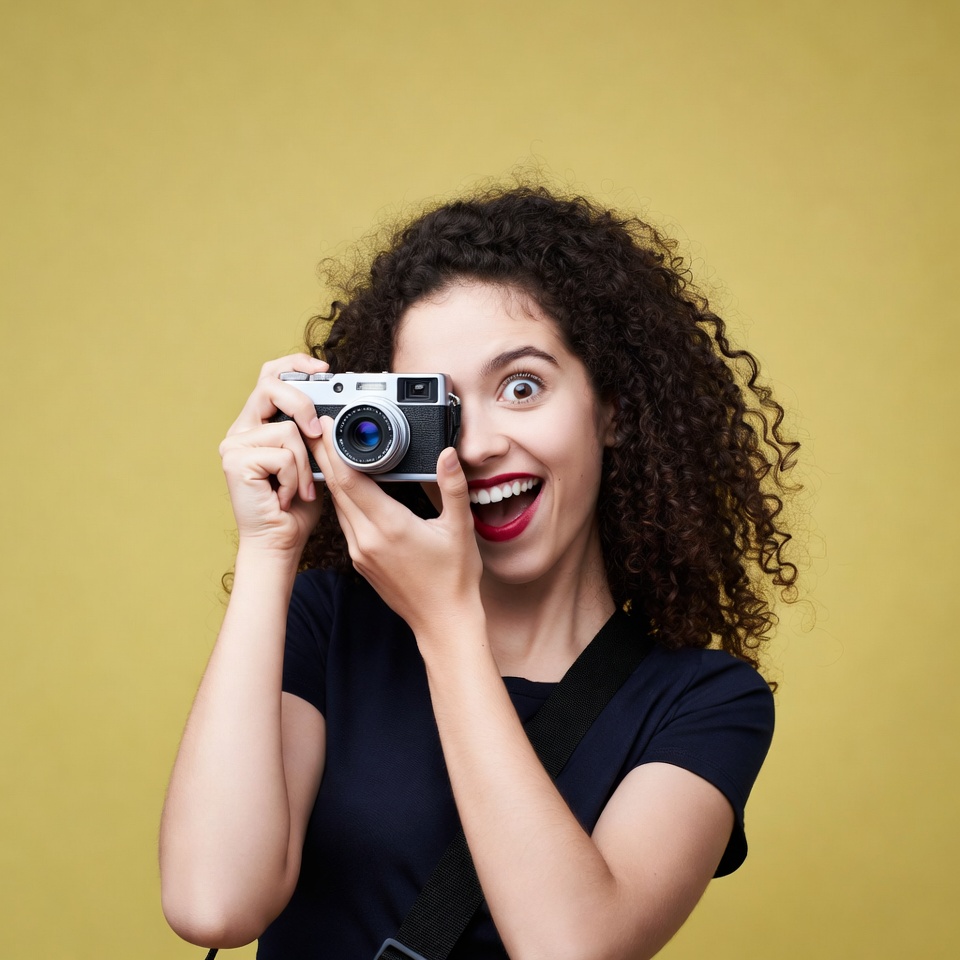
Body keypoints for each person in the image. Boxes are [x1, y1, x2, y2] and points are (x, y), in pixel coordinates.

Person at [159, 184, 798, 960]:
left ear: (613, 408)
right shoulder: (329, 624)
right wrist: (268, 550)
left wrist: (447, 623)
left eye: (521, 387)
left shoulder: (702, 701)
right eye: (439, 407)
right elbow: (212, 904)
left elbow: (573, 950)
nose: (482, 443)